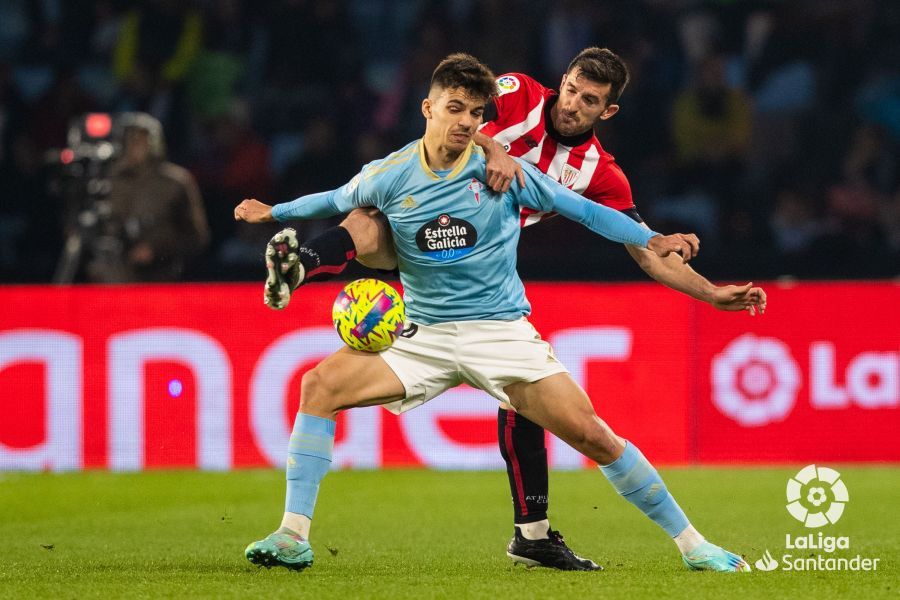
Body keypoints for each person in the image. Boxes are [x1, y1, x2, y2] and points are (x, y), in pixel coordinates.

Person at [233, 52, 751, 574]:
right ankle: (291, 533)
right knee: (322, 372)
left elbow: (593, 216)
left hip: (497, 327)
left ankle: (690, 544)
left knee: (593, 435)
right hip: (423, 324)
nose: (573, 104)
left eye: (590, 100)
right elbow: (334, 196)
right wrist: (275, 212)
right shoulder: (488, 111)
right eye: (571, 89)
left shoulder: (572, 173)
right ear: (429, 108)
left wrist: (693, 276)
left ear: (607, 111)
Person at [78, 112, 210, 282]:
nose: (132, 147)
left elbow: (197, 237)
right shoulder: (107, 180)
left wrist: (156, 250)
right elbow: (91, 224)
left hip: (163, 274)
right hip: (114, 276)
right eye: (127, 140)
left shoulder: (176, 182)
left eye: (138, 140)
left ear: (153, 143)